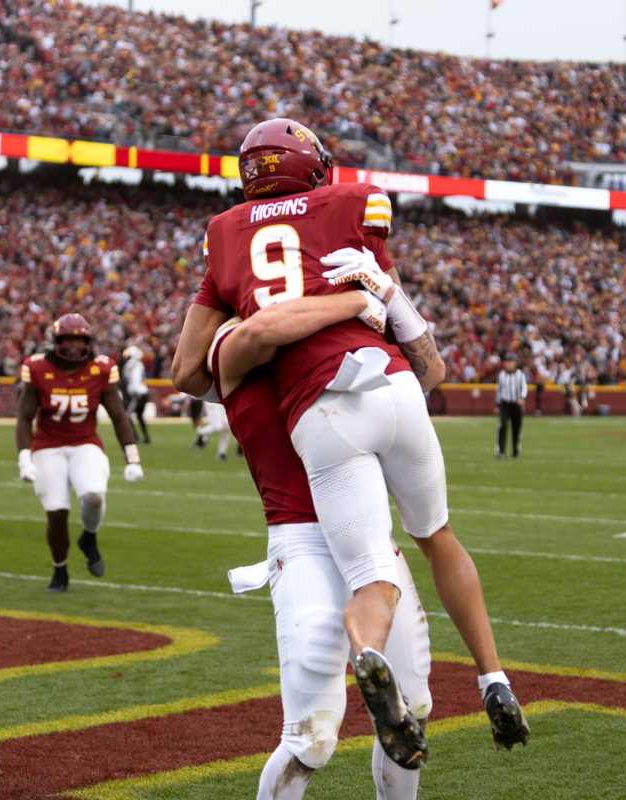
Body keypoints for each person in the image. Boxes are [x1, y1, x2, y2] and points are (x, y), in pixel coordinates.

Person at [173, 117, 528, 766]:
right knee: (435, 537)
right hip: (390, 383)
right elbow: (431, 367)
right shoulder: (348, 205)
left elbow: (202, 363)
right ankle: (493, 677)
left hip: (321, 415)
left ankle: (367, 657)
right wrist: (373, 296)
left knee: (372, 581)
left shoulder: (225, 239)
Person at [210, 291, 433, 797]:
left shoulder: (342, 346)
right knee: (310, 737)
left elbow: (426, 372)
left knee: (411, 710)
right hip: (304, 540)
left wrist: (385, 299)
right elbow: (236, 345)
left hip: (369, 539)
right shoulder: (235, 344)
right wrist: (359, 298)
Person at [16, 313, 143, 593]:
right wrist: (24, 458)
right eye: (68, 340)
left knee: (94, 495)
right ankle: (60, 570)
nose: (74, 347)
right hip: (47, 445)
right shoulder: (37, 367)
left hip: (85, 441)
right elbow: (24, 417)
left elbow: (119, 415)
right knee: (57, 512)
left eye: (79, 340)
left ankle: (89, 537)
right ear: (56, 342)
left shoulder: (101, 368)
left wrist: (132, 458)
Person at [495, 354, 527, 459]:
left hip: (516, 404)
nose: (508, 364)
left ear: (515, 363)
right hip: (505, 404)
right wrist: (497, 404)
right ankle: (501, 451)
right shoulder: (502, 375)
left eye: (511, 362)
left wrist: (522, 398)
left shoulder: (520, 375)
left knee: (516, 428)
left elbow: (524, 388)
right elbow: (499, 390)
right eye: (507, 362)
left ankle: (515, 451)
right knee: (503, 426)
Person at [120, 345, 151, 444]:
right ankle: (146, 437)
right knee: (139, 416)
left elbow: (134, 378)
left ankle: (135, 436)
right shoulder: (140, 364)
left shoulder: (131, 364)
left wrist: (135, 391)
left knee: (127, 415)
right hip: (144, 393)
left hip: (137, 394)